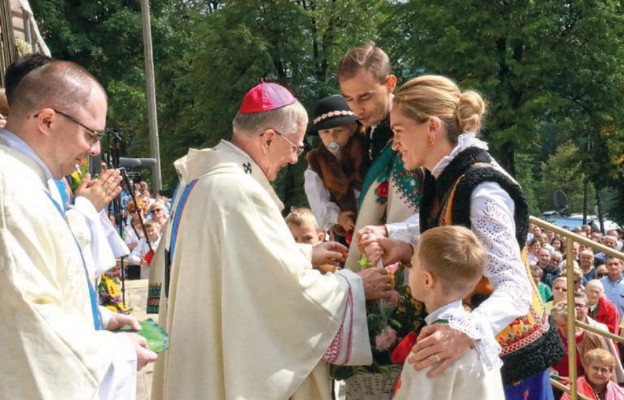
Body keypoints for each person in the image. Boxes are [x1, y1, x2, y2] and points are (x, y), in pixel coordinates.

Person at [149, 82, 394, 400]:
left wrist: (304, 252)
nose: (295, 159)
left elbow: (237, 261)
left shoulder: (200, 179)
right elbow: (281, 292)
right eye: (294, 146)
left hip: (193, 343)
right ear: (268, 139)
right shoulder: (239, 191)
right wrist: (354, 286)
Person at [360, 75, 564, 399]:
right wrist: (399, 239)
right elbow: (449, 222)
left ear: (431, 128)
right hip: (478, 355)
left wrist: (464, 332)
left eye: (399, 131)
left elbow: (514, 287)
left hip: (508, 357)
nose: (395, 144)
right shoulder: (445, 173)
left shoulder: (483, 191)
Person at [0, 60, 157, 399]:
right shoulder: (10, 192)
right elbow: (27, 323)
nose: (95, 150)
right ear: (46, 120)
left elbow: (43, 282)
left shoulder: (28, 180)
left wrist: (96, 315)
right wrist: (118, 354)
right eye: (91, 135)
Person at [393, 226, 505, 400]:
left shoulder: (435, 346)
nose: (409, 270)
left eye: (413, 265)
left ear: (427, 280)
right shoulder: (479, 336)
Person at [337, 43, 423, 269]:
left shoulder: (418, 130)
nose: (356, 110)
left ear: (390, 84)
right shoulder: (367, 133)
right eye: (349, 99)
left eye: (365, 97)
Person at [304, 94, 368, 239]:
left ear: (352, 128)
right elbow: (317, 201)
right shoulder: (316, 163)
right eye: (325, 132)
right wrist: (337, 217)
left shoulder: (368, 148)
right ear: (319, 135)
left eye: (338, 131)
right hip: (347, 230)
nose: (332, 137)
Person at [285, 207, 339, 274]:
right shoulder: (283, 270)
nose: (300, 244)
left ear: (320, 238)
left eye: (307, 238)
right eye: (293, 239)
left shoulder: (331, 272)